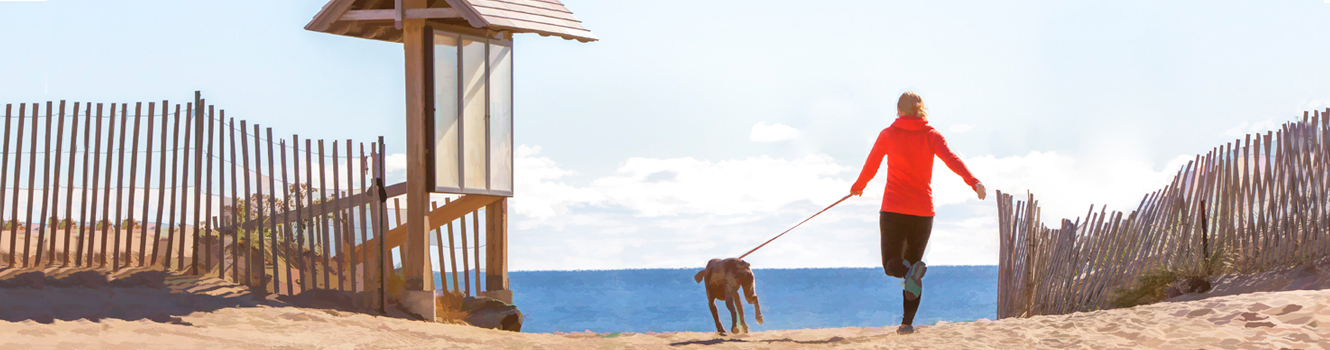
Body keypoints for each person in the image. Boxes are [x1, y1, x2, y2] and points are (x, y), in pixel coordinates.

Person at [849, 91, 986, 335]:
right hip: (923, 212)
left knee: (892, 265)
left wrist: (859, 185)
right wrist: (973, 182)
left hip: (893, 209)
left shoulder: (889, 134)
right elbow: (952, 159)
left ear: (899, 110)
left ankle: (906, 273)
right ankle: (906, 324)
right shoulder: (931, 135)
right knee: (914, 270)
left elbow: (872, 162)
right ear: (920, 110)